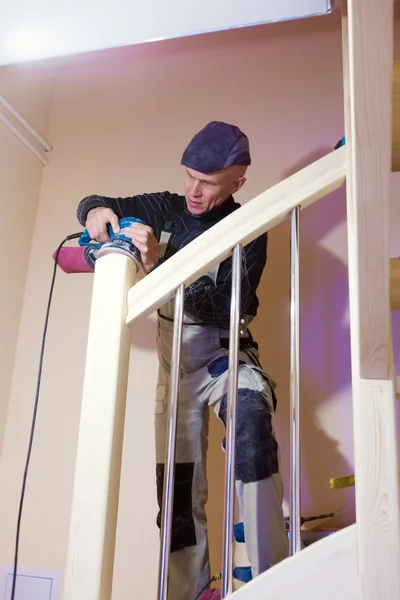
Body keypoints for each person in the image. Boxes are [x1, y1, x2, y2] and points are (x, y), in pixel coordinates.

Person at [76, 121, 288, 599]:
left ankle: (277, 578)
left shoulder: (249, 229)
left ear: (238, 181)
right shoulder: (166, 205)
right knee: (175, 497)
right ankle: (188, 593)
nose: (193, 190)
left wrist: (159, 270)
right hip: (175, 375)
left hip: (226, 357)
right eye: (189, 175)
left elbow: (224, 307)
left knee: (252, 425)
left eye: (209, 182)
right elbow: (93, 204)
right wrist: (95, 211)